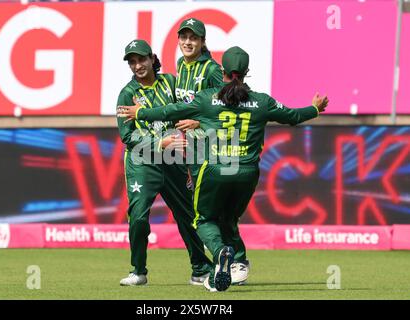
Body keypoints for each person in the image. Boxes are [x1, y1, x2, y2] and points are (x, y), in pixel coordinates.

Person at [117, 46, 329, 291]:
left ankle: (220, 254)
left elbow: (170, 111)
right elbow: (293, 116)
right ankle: (238, 264)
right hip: (247, 172)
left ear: (223, 71)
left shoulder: (207, 98)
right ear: (247, 71)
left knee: (203, 219)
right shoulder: (262, 101)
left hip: (215, 170)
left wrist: (141, 112)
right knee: (229, 219)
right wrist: (314, 108)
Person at [116, 39, 213, 286]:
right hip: (142, 163)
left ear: (152, 58)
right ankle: (138, 271)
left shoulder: (170, 82)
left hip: (172, 162)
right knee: (138, 217)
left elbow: (190, 105)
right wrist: (160, 143)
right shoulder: (127, 94)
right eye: (133, 62)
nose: (138, 65)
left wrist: (198, 122)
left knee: (188, 215)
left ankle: (200, 269)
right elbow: (128, 137)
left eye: (141, 59)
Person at [174, 17, 250, 285]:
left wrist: (199, 121)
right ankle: (217, 263)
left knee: (214, 212)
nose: (187, 42)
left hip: (213, 148)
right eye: (183, 37)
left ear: (203, 41)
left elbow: (230, 102)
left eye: (193, 38)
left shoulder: (212, 70)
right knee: (202, 211)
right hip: (193, 148)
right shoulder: (181, 66)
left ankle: (236, 260)